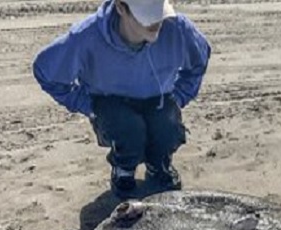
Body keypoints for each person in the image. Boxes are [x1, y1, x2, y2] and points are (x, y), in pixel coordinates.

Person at [32, 0, 211, 197]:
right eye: (146, 13)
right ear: (120, 7)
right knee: (128, 129)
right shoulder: (86, 36)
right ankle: (123, 170)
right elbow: (45, 71)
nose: (157, 20)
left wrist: (179, 97)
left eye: (159, 9)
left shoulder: (177, 28)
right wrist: (88, 106)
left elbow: (200, 58)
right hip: (111, 105)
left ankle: (159, 165)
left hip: (158, 100)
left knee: (167, 126)